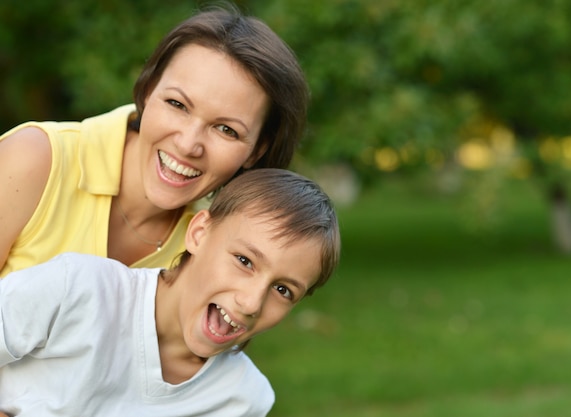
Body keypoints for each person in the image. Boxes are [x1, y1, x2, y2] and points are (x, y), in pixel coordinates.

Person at [0, 3, 309, 278]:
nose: (189, 144)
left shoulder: (216, 243)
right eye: (178, 105)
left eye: (226, 129)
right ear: (148, 90)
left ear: (257, 150)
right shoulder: (34, 159)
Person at [0, 168, 341, 417]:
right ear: (199, 234)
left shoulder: (241, 399)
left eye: (283, 289)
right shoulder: (76, 289)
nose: (251, 302)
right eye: (244, 261)